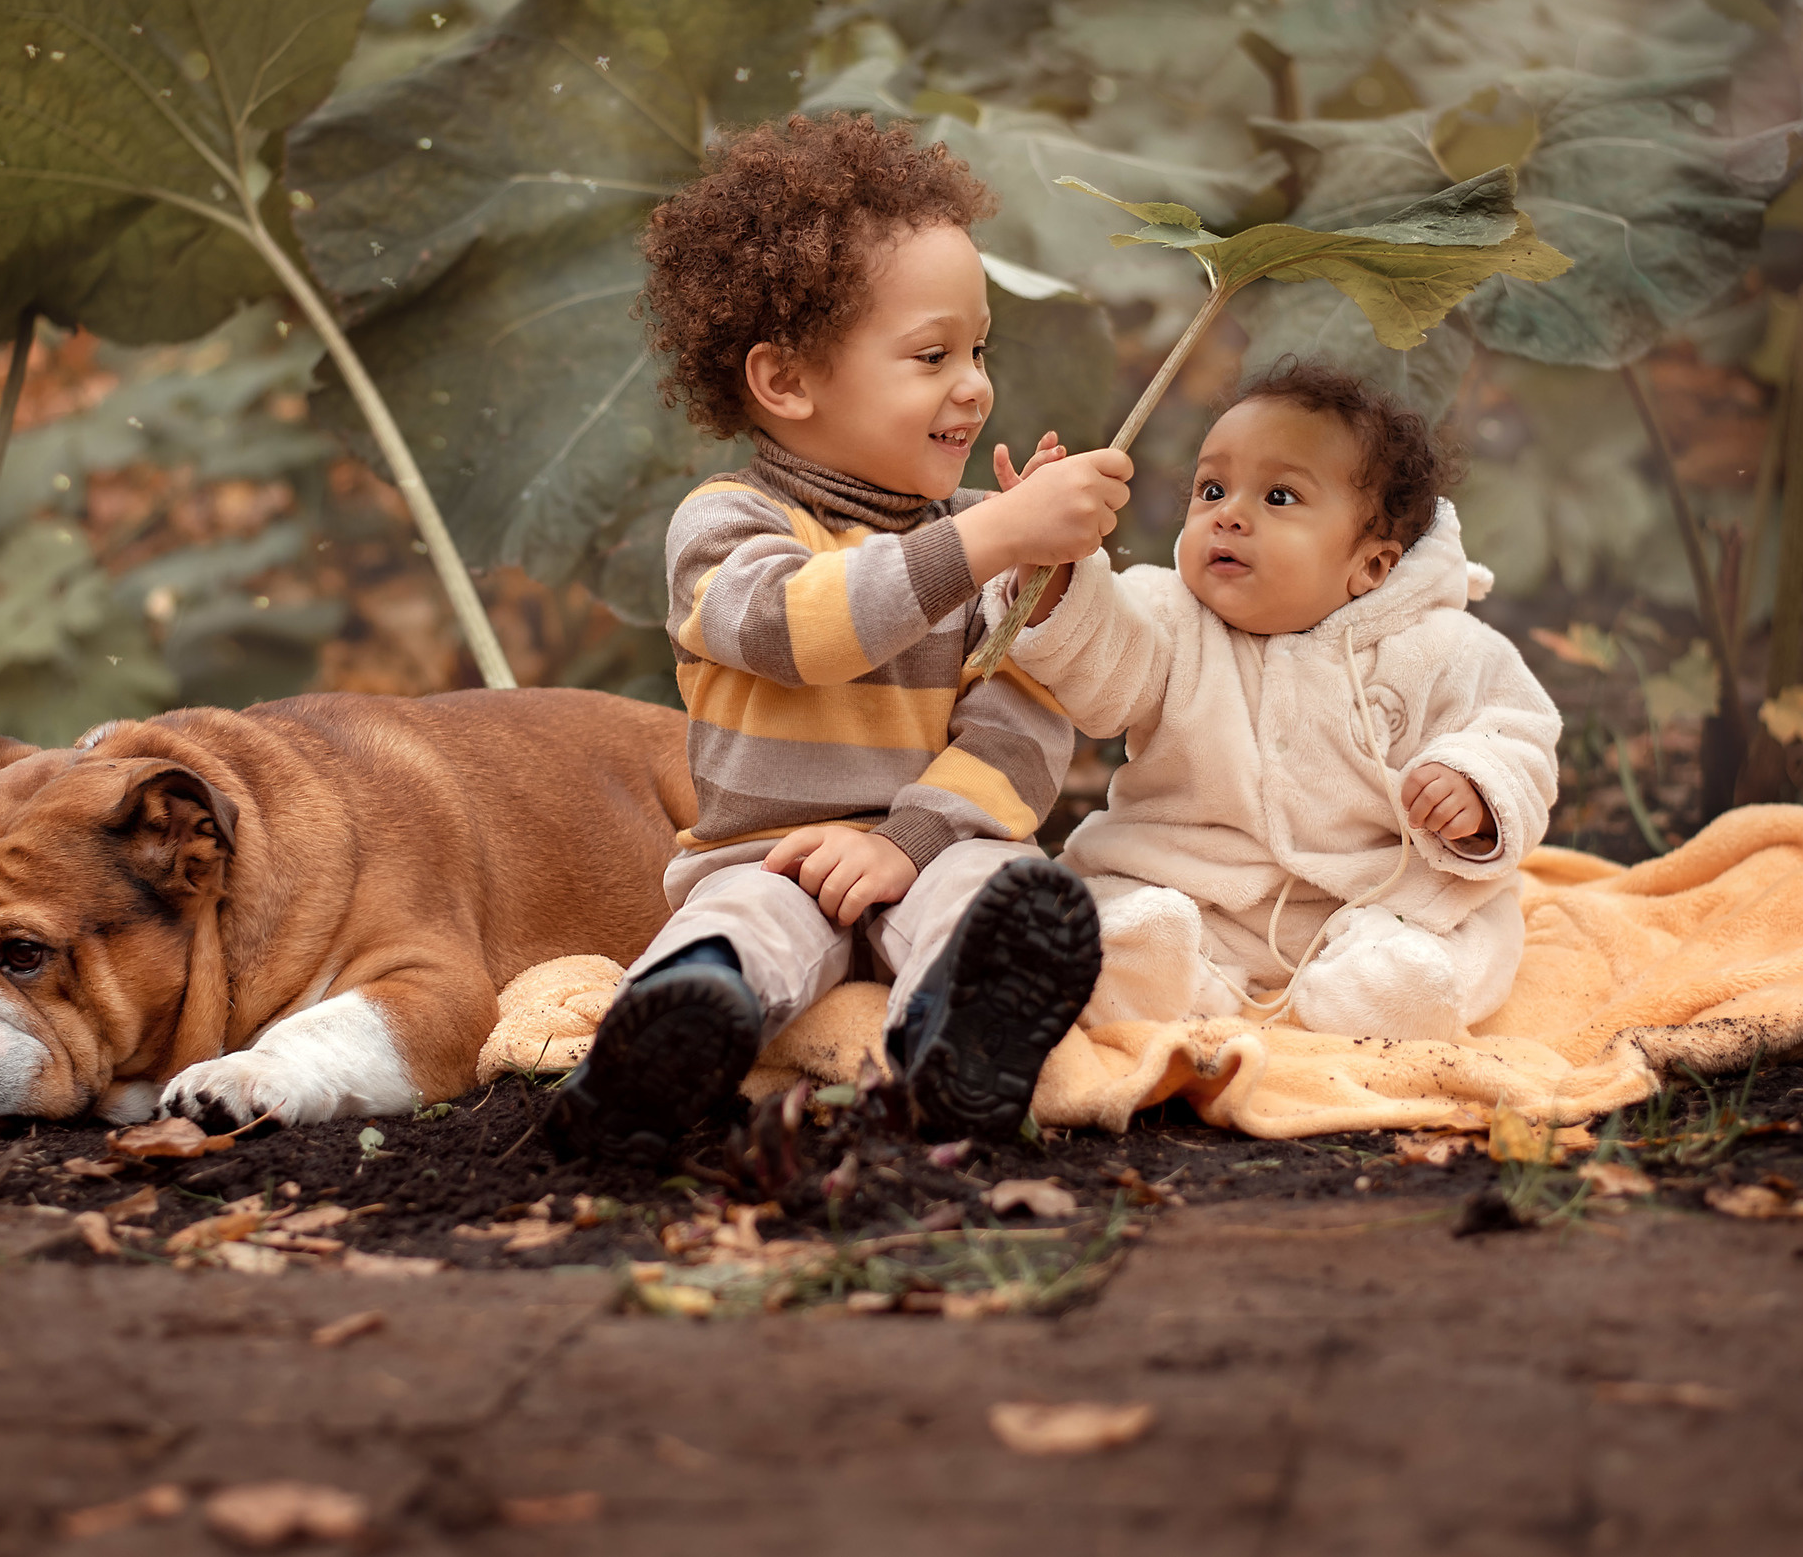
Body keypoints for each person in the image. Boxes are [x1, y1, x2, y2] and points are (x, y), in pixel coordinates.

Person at [550, 113, 1134, 1166]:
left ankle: (961, 1044)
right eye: (930, 354)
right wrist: (989, 535)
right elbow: (796, 628)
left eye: (978, 348)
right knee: (742, 928)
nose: (973, 384)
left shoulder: (974, 539)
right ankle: (667, 1038)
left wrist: (1036, 584)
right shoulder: (726, 525)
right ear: (786, 382)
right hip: (768, 856)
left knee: (990, 887)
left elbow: (1022, 725)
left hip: (929, 844)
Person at [996, 361, 1560, 1042]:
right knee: (1120, 914)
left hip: (1377, 896)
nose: (1229, 514)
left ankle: (1387, 993)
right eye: (1213, 488)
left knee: (1468, 930)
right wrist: (1051, 576)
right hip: (1196, 889)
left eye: (1280, 497)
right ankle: (1155, 969)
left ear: (1372, 565)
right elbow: (1102, 661)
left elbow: (1516, 730)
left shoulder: (1442, 647)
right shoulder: (1168, 616)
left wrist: (1473, 785)